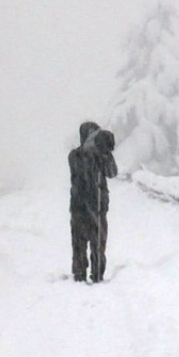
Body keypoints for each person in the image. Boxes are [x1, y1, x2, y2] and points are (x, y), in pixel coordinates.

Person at [69, 121, 118, 283]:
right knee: (79, 244)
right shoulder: (75, 155)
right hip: (80, 207)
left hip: (98, 206)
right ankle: (79, 276)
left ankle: (97, 275)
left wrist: (106, 154)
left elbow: (112, 173)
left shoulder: (101, 155)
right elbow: (81, 171)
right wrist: (94, 153)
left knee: (98, 244)